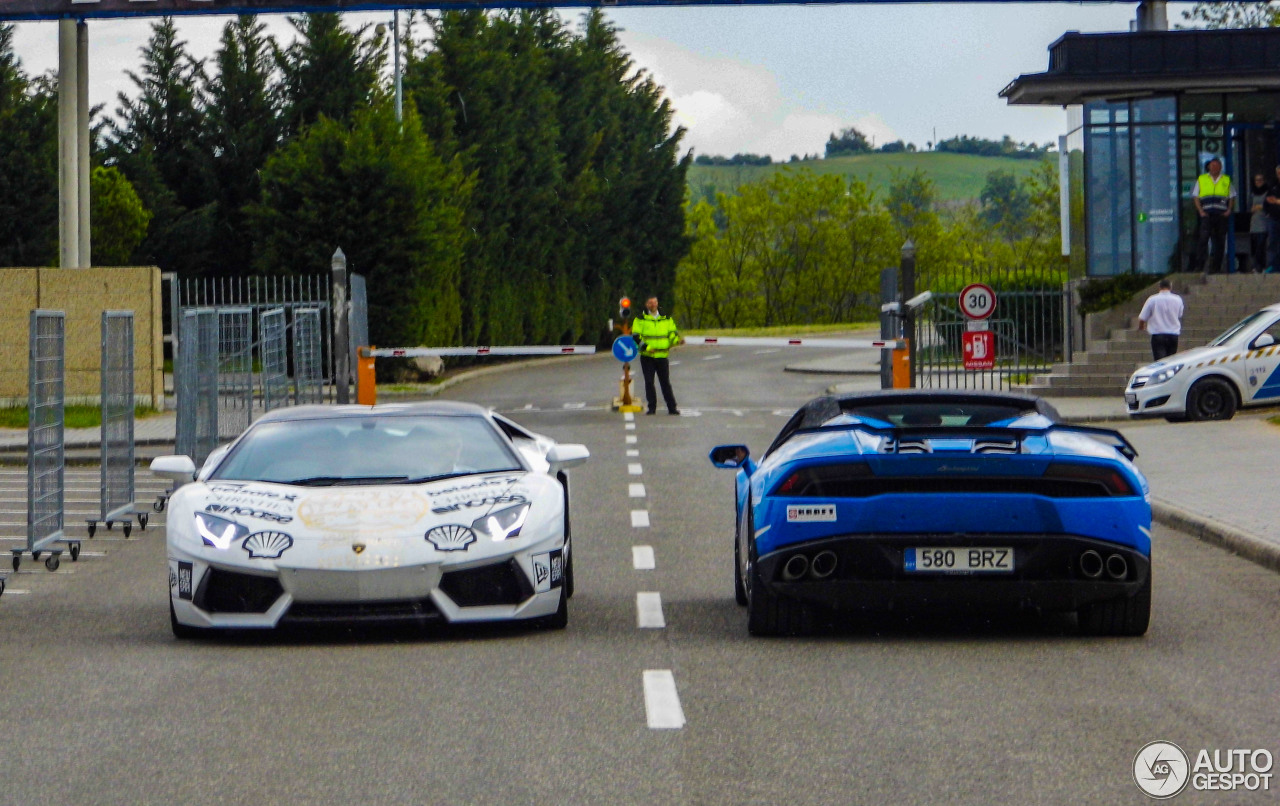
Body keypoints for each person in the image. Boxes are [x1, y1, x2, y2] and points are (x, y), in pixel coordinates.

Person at [630, 295, 681, 415]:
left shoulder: (666, 319)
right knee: (649, 382)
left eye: (654, 302)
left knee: (665, 383)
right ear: (646, 304)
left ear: (657, 303)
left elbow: (673, 333)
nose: (652, 305)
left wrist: (674, 341)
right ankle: (652, 407)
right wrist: (647, 347)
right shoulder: (640, 319)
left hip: (662, 356)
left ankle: (672, 407)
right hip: (648, 356)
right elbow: (636, 337)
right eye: (650, 303)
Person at [1191, 157, 1235, 274]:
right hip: (1207, 214)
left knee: (1220, 241)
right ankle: (1199, 266)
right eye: (1212, 166)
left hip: (1221, 215)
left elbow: (1232, 196)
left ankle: (1216, 267)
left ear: (1220, 167)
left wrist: (1229, 210)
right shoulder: (1202, 179)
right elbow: (1195, 196)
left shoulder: (1226, 180)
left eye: (1217, 166)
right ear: (1209, 167)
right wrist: (1200, 211)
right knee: (1203, 239)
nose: (1214, 168)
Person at [1137, 279, 1184, 361]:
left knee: (1160, 362)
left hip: (1158, 334)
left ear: (1159, 287)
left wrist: (1141, 327)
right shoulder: (1178, 299)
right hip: (1173, 334)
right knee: (1171, 361)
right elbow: (1179, 314)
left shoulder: (1152, 299)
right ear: (1170, 287)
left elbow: (1142, 317)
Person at [1250, 173, 1269, 273]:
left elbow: (1269, 205)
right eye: (1257, 180)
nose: (1259, 182)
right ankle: (1256, 266)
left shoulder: (1268, 192)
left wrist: (1260, 207)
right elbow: (1250, 206)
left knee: (1262, 245)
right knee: (1255, 246)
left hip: (1264, 222)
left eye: (1261, 180)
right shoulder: (1252, 193)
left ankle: (1263, 265)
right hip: (1254, 223)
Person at [1264, 164, 1280, 272]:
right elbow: (1267, 200)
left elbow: (1274, 200)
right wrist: (1267, 212)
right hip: (1273, 218)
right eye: (1278, 173)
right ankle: (1271, 266)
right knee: (1272, 243)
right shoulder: (1273, 185)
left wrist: (1277, 201)